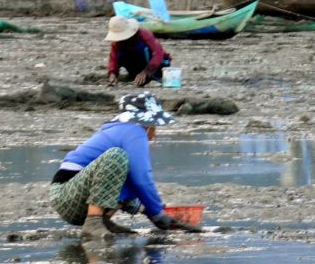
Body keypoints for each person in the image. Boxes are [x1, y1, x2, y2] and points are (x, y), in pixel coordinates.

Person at [48, 91, 202, 241]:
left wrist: (155, 211)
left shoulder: (121, 129)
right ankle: (94, 220)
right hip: (66, 194)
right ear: (146, 123)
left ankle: (104, 220)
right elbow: (142, 178)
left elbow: (134, 183)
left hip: (75, 197)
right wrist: (157, 214)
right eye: (154, 126)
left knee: (127, 171)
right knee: (117, 157)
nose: (155, 134)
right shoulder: (134, 130)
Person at [105, 15, 170, 87]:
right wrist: (112, 73)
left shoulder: (143, 34)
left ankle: (152, 76)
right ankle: (136, 76)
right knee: (120, 54)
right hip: (137, 64)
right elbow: (113, 58)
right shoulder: (117, 42)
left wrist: (146, 71)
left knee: (141, 47)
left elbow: (158, 53)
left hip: (158, 64)